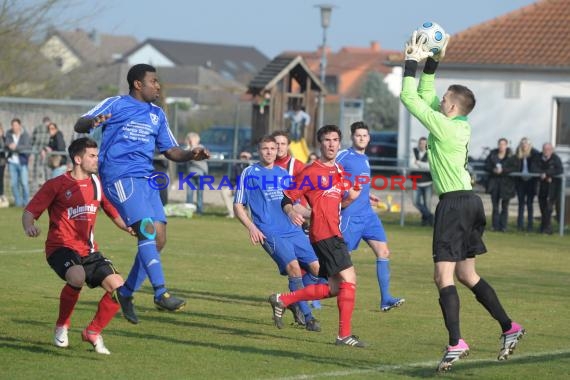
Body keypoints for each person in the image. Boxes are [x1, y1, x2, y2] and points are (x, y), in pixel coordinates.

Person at [400, 32, 525, 372]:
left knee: (443, 276)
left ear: (452, 107)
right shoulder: (460, 123)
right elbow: (425, 95)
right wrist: (434, 59)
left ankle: (456, 342)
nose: (439, 102)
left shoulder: (444, 127)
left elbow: (409, 99)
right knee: (467, 273)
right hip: (471, 202)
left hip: (454, 205)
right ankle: (509, 327)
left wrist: (412, 60)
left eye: (444, 100)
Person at [74, 63, 210, 324]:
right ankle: (161, 292)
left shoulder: (157, 114)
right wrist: (92, 122)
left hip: (147, 179)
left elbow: (171, 151)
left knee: (158, 239)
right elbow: (81, 123)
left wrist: (191, 153)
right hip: (119, 176)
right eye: (154, 81)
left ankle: (125, 293)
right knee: (146, 230)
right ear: (138, 84)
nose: (158, 86)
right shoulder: (115, 104)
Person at [22, 137, 133, 355]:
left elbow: (112, 211)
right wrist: (29, 226)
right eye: (92, 156)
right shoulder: (56, 185)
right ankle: (62, 325)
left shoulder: (97, 184)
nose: (96, 160)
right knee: (77, 276)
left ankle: (93, 331)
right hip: (60, 247)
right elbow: (29, 212)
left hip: (88, 250)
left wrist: (129, 228)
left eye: (96, 155)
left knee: (120, 288)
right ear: (78, 159)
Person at [268, 125, 366, 348]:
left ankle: (283, 299)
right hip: (324, 233)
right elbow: (286, 197)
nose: (331, 144)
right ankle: (344, 335)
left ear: (339, 144)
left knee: (334, 287)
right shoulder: (311, 171)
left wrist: (354, 197)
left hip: (334, 232)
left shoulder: (340, 171)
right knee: (350, 280)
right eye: (326, 140)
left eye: (334, 140)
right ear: (320, 144)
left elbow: (340, 202)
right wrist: (291, 211)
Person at [234, 135, 321, 332]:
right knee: (295, 269)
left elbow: (295, 204)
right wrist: (252, 227)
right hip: (269, 231)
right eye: (265, 148)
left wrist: (314, 215)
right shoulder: (249, 173)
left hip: (292, 229)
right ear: (259, 150)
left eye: (273, 148)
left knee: (318, 269)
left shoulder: (283, 173)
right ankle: (307, 317)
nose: (269, 152)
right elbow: (238, 206)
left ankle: (290, 301)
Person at [337, 121, 405, 312]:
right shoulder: (343, 155)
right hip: (350, 215)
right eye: (358, 135)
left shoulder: (365, 157)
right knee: (341, 260)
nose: (362, 138)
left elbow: (358, 183)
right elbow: (326, 172)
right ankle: (314, 295)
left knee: (383, 253)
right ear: (352, 137)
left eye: (365, 136)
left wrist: (367, 194)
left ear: (369, 138)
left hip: (368, 215)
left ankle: (386, 299)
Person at [272, 130, 323, 311]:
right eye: (276, 143)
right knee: (297, 270)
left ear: (288, 146)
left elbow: (309, 191)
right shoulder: (265, 167)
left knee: (312, 267)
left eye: (283, 144)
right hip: (278, 225)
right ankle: (301, 307)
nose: (279, 147)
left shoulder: (296, 165)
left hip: (298, 220)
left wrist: (310, 214)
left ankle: (298, 302)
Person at [484, 138, 518, 232]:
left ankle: (503, 226)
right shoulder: (493, 154)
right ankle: (495, 226)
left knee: (505, 206)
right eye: (500, 144)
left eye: (503, 144)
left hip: (506, 185)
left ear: (506, 145)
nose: (501, 146)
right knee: (495, 206)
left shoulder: (511, 156)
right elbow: (486, 165)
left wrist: (504, 171)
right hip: (494, 184)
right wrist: (493, 170)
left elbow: (515, 167)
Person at [533, 143, 563, 235]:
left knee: (548, 209)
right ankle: (544, 228)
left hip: (553, 188)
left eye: (548, 149)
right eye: (545, 149)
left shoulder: (556, 159)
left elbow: (559, 170)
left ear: (552, 150)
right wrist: (543, 174)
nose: (546, 151)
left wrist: (547, 174)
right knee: (542, 208)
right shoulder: (538, 158)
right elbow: (533, 168)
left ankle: (547, 229)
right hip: (541, 187)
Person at [514, 138, 540, 232]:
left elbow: (536, 167)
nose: (524, 145)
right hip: (520, 181)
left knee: (529, 203)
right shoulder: (518, 153)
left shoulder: (535, 154)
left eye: (526, 143)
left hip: (531, 182)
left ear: (530, 144)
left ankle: (530, 225)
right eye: (523, 143)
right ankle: (520, 225)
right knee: (521, 203)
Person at [5, 118, 31, 207]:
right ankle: (18, 203)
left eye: (16, 125)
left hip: (22, 162)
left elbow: (26, 146)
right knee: (13, 184)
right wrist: (9, 145)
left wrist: (15, 147)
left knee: (24, 183)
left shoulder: (25, 135)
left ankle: (26, 203)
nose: (14, 127)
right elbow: (7, 142)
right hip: (12, 162)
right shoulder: (9, 133)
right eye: (13, 125)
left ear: (20, 125)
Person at [410, 136, 434, 226]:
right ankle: (431, 216)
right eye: (421, 143)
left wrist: (418, 163)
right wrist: (423, 165)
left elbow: (430, 167)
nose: (422, 145)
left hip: (428, 182)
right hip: (416, 182)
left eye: (424, 144)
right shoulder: (414, 151)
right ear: (418, 144)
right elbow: (411, 165)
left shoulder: (430, 151)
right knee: (415, 202)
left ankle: (425, 222)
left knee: (427, 204)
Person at [220, 150, 251, 218]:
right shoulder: (235, 166)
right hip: (236, 188)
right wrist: (234, 186)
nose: (243, 158)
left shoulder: (251, 167)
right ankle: (231, 213)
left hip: (247, 189)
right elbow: (232, 179)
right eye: (242, 156)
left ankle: (248, 213)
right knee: (224, 192)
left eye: (245, 157)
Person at [184, 132, 208, 214]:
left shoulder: (201, 147)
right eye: (189, 139)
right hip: (190, 174)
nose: (191, 141)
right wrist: (189, 147)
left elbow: (196, 154)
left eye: (192, 139)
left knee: (200, 193)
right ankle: (188, 211)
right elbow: (185, 156)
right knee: (189, 193)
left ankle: (199, 210)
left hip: (200, 174)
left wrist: (193, 147)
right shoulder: (187, 148)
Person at [31, 116, 51, 191]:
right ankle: (46, 187)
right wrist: (43, 149)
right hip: (44, 152)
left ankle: (35, 188)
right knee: (46, 170)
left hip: (38, 152)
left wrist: (35, 150)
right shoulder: (48, 129)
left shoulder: (37, 128)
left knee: (36, 170)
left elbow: (32, 141)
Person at [0, 123, 7, 206]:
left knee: (1, 179)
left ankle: (1, 195)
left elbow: (7, 149)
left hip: (1, 162)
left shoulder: (4, 139)